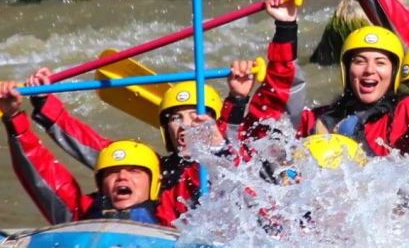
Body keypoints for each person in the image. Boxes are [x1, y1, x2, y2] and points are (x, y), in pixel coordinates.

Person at [16, 63, 255, 219]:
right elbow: (95, 147)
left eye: (195, 117)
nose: (185, 126)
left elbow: (228, 141)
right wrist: (44, 103)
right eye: (175, 118)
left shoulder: (232, 161)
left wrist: (237, 99)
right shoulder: (150, 168)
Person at [242, 0, 409, 157]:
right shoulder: (321, 120)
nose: (369, 70)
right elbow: (265, 128)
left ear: (394, 72)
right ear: (347, 70)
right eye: (359, 61)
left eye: (380, 62)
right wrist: (285, 28)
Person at [0, 81, 174, 225]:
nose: (122, 177)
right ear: (101, 184)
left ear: (154, 182)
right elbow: (44, 173)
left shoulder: (171, 215)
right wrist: (13, 118)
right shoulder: (80, 215)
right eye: (112, 172)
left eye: (134, 171)